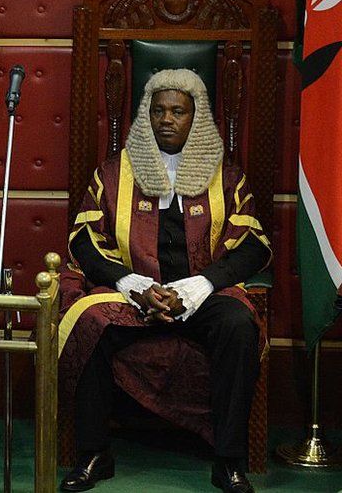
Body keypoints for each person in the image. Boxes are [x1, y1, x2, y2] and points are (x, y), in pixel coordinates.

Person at [58, 69, 270, 493]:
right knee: (87, 321)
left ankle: (228, 460)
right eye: (158, 111)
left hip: (204, 294)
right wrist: (127, 282)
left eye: (178, 111)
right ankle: (94, 453)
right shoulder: (113, 173)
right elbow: (83, 239)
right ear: (146, 117)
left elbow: (254, 245)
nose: (167, 119)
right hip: (134, 293)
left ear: (196, 118)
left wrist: (203, 285)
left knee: (238, 325)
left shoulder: (226, 175)